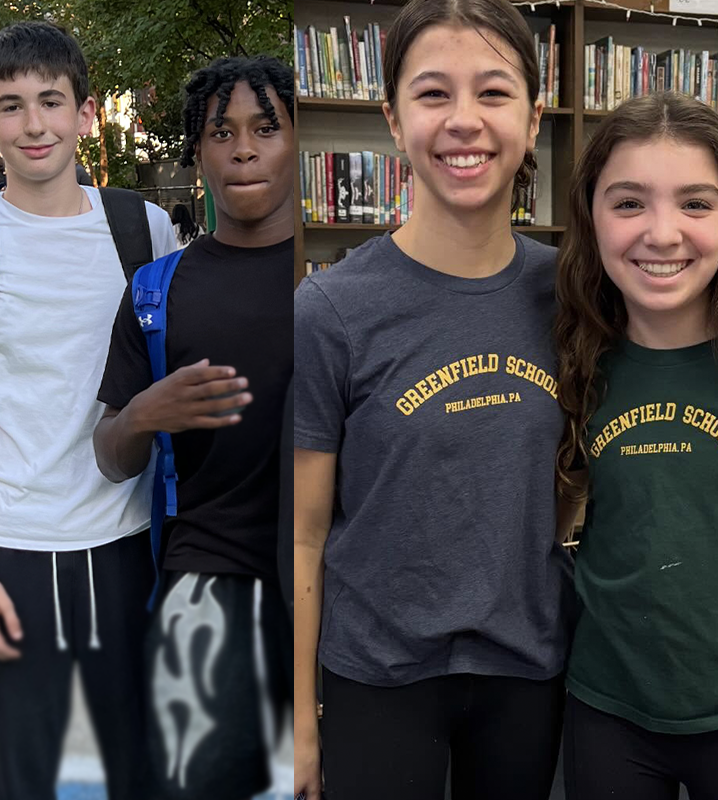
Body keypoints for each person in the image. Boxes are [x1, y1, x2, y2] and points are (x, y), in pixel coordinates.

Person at [290, 0, 565, 797]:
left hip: (528, 669)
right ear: (393, 118)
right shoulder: (331, 310)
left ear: (535, 115)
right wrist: (301, 721)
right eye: (434, 93)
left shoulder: (573, 294)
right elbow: (306, 539)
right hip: (376, 678)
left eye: (494, 92)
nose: (465, 122)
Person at [0, 20, 180, 800]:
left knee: (143, 766)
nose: (35, 124)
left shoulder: (144, 229)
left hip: (131, 543)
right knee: (20, 772)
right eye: (12, 105)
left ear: (86, 113)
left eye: (52, 101)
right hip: (11, 548)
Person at [89, 55, 295, 800]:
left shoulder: (349, 275)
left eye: (265, 129)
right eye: (222, 131)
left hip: (342, 583)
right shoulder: (157, 291)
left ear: (297, 141)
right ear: (197, 150)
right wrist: (146, 412)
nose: (244, 148)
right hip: (206, 584)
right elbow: (111, 455)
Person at [549, 92, 718, 799]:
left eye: (697, 204)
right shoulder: (564, 357)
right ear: (591, 214)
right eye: (628, 203)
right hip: (609, 708)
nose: (663, 232)